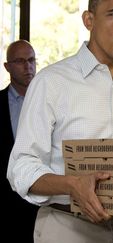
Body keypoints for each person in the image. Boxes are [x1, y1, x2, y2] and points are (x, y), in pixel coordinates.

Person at [7, 0, 113, 242]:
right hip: (67, 229)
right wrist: (72, 185)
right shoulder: (51, 82)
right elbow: (21, 168)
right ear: (89, 20)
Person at [1, 39, 39, 242]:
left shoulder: (49, 102)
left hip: (43, 200)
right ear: (7, 66)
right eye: (20, 61)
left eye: (32, 60)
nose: (28, 66)